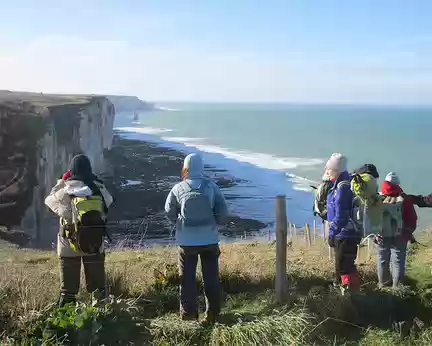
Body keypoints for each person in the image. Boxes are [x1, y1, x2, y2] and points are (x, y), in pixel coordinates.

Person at [165, 153, 228, 324]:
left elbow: (168, 211)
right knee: (211, 278)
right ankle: (212, 315)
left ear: (185, 168)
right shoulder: (211, 187)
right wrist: (214, 224)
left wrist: (178, 224)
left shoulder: (178, 188)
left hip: (186, 241)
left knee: (187, 279)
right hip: (209, 240)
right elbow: (223, 212)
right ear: (202, 167)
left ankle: (188, 315)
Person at [45, 154, 113, 307]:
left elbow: (49, 201)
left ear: (71, 170)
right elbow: (109, 202)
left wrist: (62, 181)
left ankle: (66, 322)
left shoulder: (66, 190)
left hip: (69, 245)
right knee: (98, 290)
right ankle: (101, 320)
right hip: (94, 244)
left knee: (68, 292)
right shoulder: (97, 188)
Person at [326, 153, 362, 290]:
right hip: (347, 234)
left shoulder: (342, 188)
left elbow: (341, 216)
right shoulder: (342, 185)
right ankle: (351, 291)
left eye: (329, 169)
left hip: (345, 234)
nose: (327, 172)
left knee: (344, 267)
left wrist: (332, 232)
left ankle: (349, 294)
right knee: (346, 265)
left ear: (335, 169)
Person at [377, 172, 417, 288]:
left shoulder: (379, 196)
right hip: (400, 233)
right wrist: (408, 231)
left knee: (382, 259)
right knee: (398, 260)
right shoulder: (404, 198)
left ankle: (383, 285)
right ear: (398, 184)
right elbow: (412, 218)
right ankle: (398, 287)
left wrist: (375, 233)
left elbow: (371, 217)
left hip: (382, 234)